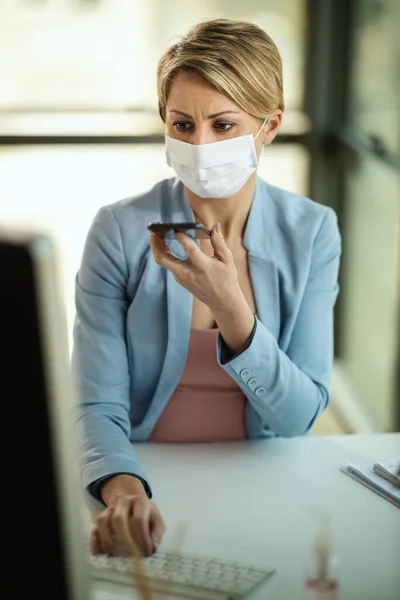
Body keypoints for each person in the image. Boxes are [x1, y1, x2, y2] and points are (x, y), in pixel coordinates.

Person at [71, 18, 341, 559]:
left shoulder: (312, 232)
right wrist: (126, 495)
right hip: (145, 477)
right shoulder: (119, 232)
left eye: (222, 125)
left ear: (269, 127)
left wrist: (231, 308)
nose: (198, 145)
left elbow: (299, 416)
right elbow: (96, 404)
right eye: (182, 124)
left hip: (263, 480)